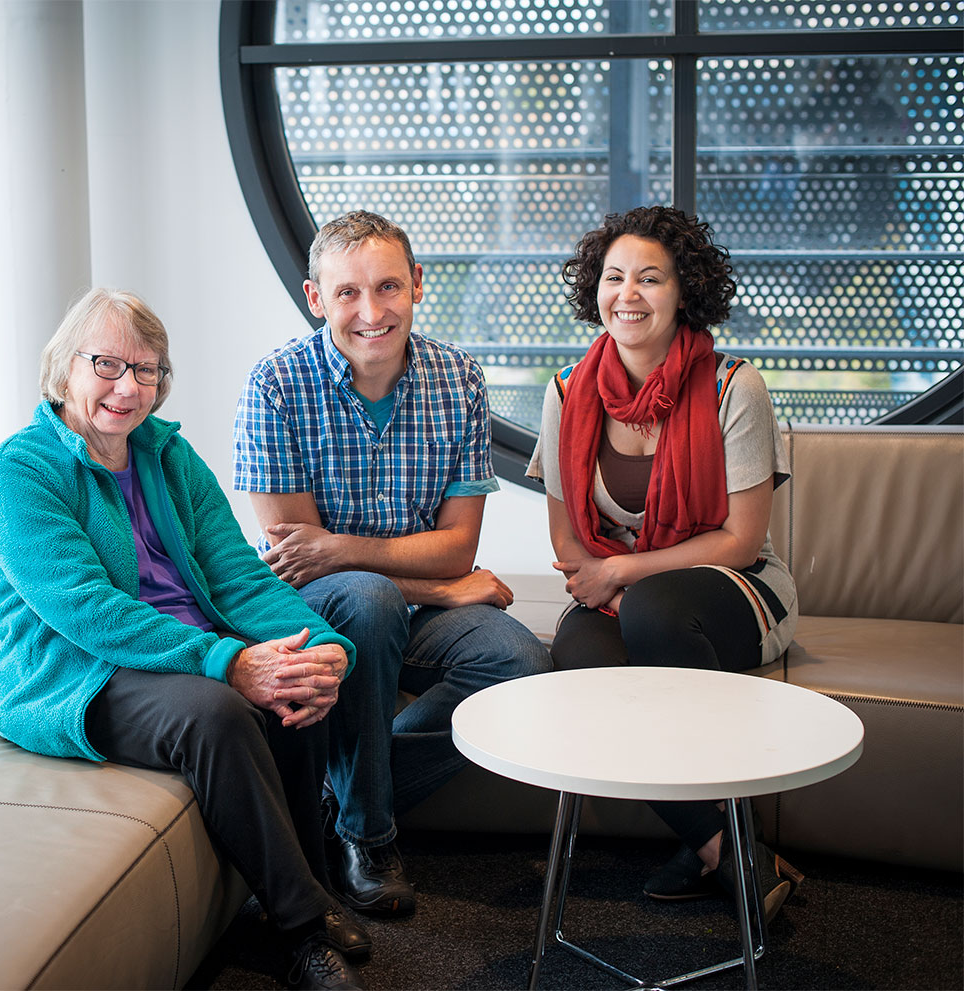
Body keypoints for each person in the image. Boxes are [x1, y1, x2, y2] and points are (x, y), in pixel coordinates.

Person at [0, 288, 370, 991]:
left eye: (148, 369)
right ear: (64, 366)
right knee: (216, 711)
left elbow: (237, 574)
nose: (129, 388)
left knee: (296, 673)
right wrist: (226, 661)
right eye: (108, 364)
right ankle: (300, 929)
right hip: (81, 671)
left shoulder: (168, 455)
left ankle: (313, 882)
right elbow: (89, 611)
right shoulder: (19, 472)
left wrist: (321, 642)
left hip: (182, 652)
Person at [233, 211, 552, 919]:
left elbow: (456, 548)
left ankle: (333, 796)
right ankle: (367, 836)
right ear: (316, 298)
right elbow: (299, 566)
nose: (371, 312)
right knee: (369, 600)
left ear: (416, 285)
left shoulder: (457, 377)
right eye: (347, 293)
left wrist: (348, 547)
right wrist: (440, 586)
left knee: (518, 665)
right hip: (316, 614)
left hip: (415, 612)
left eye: (387, 287)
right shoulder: (276, 386)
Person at [527, 205, 803, 922]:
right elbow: (567, 540)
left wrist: (619, 573)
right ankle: (722, 845)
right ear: (595, 288)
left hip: (739, 589)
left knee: (653, 611)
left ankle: (713, 845)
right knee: (583, 654)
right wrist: (607, 576)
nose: (629, 294)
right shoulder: (566, 392)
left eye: (651, 278)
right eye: (614, 276)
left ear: (686, 292)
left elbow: (740, 541)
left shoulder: (731, 386)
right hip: (628, 595)